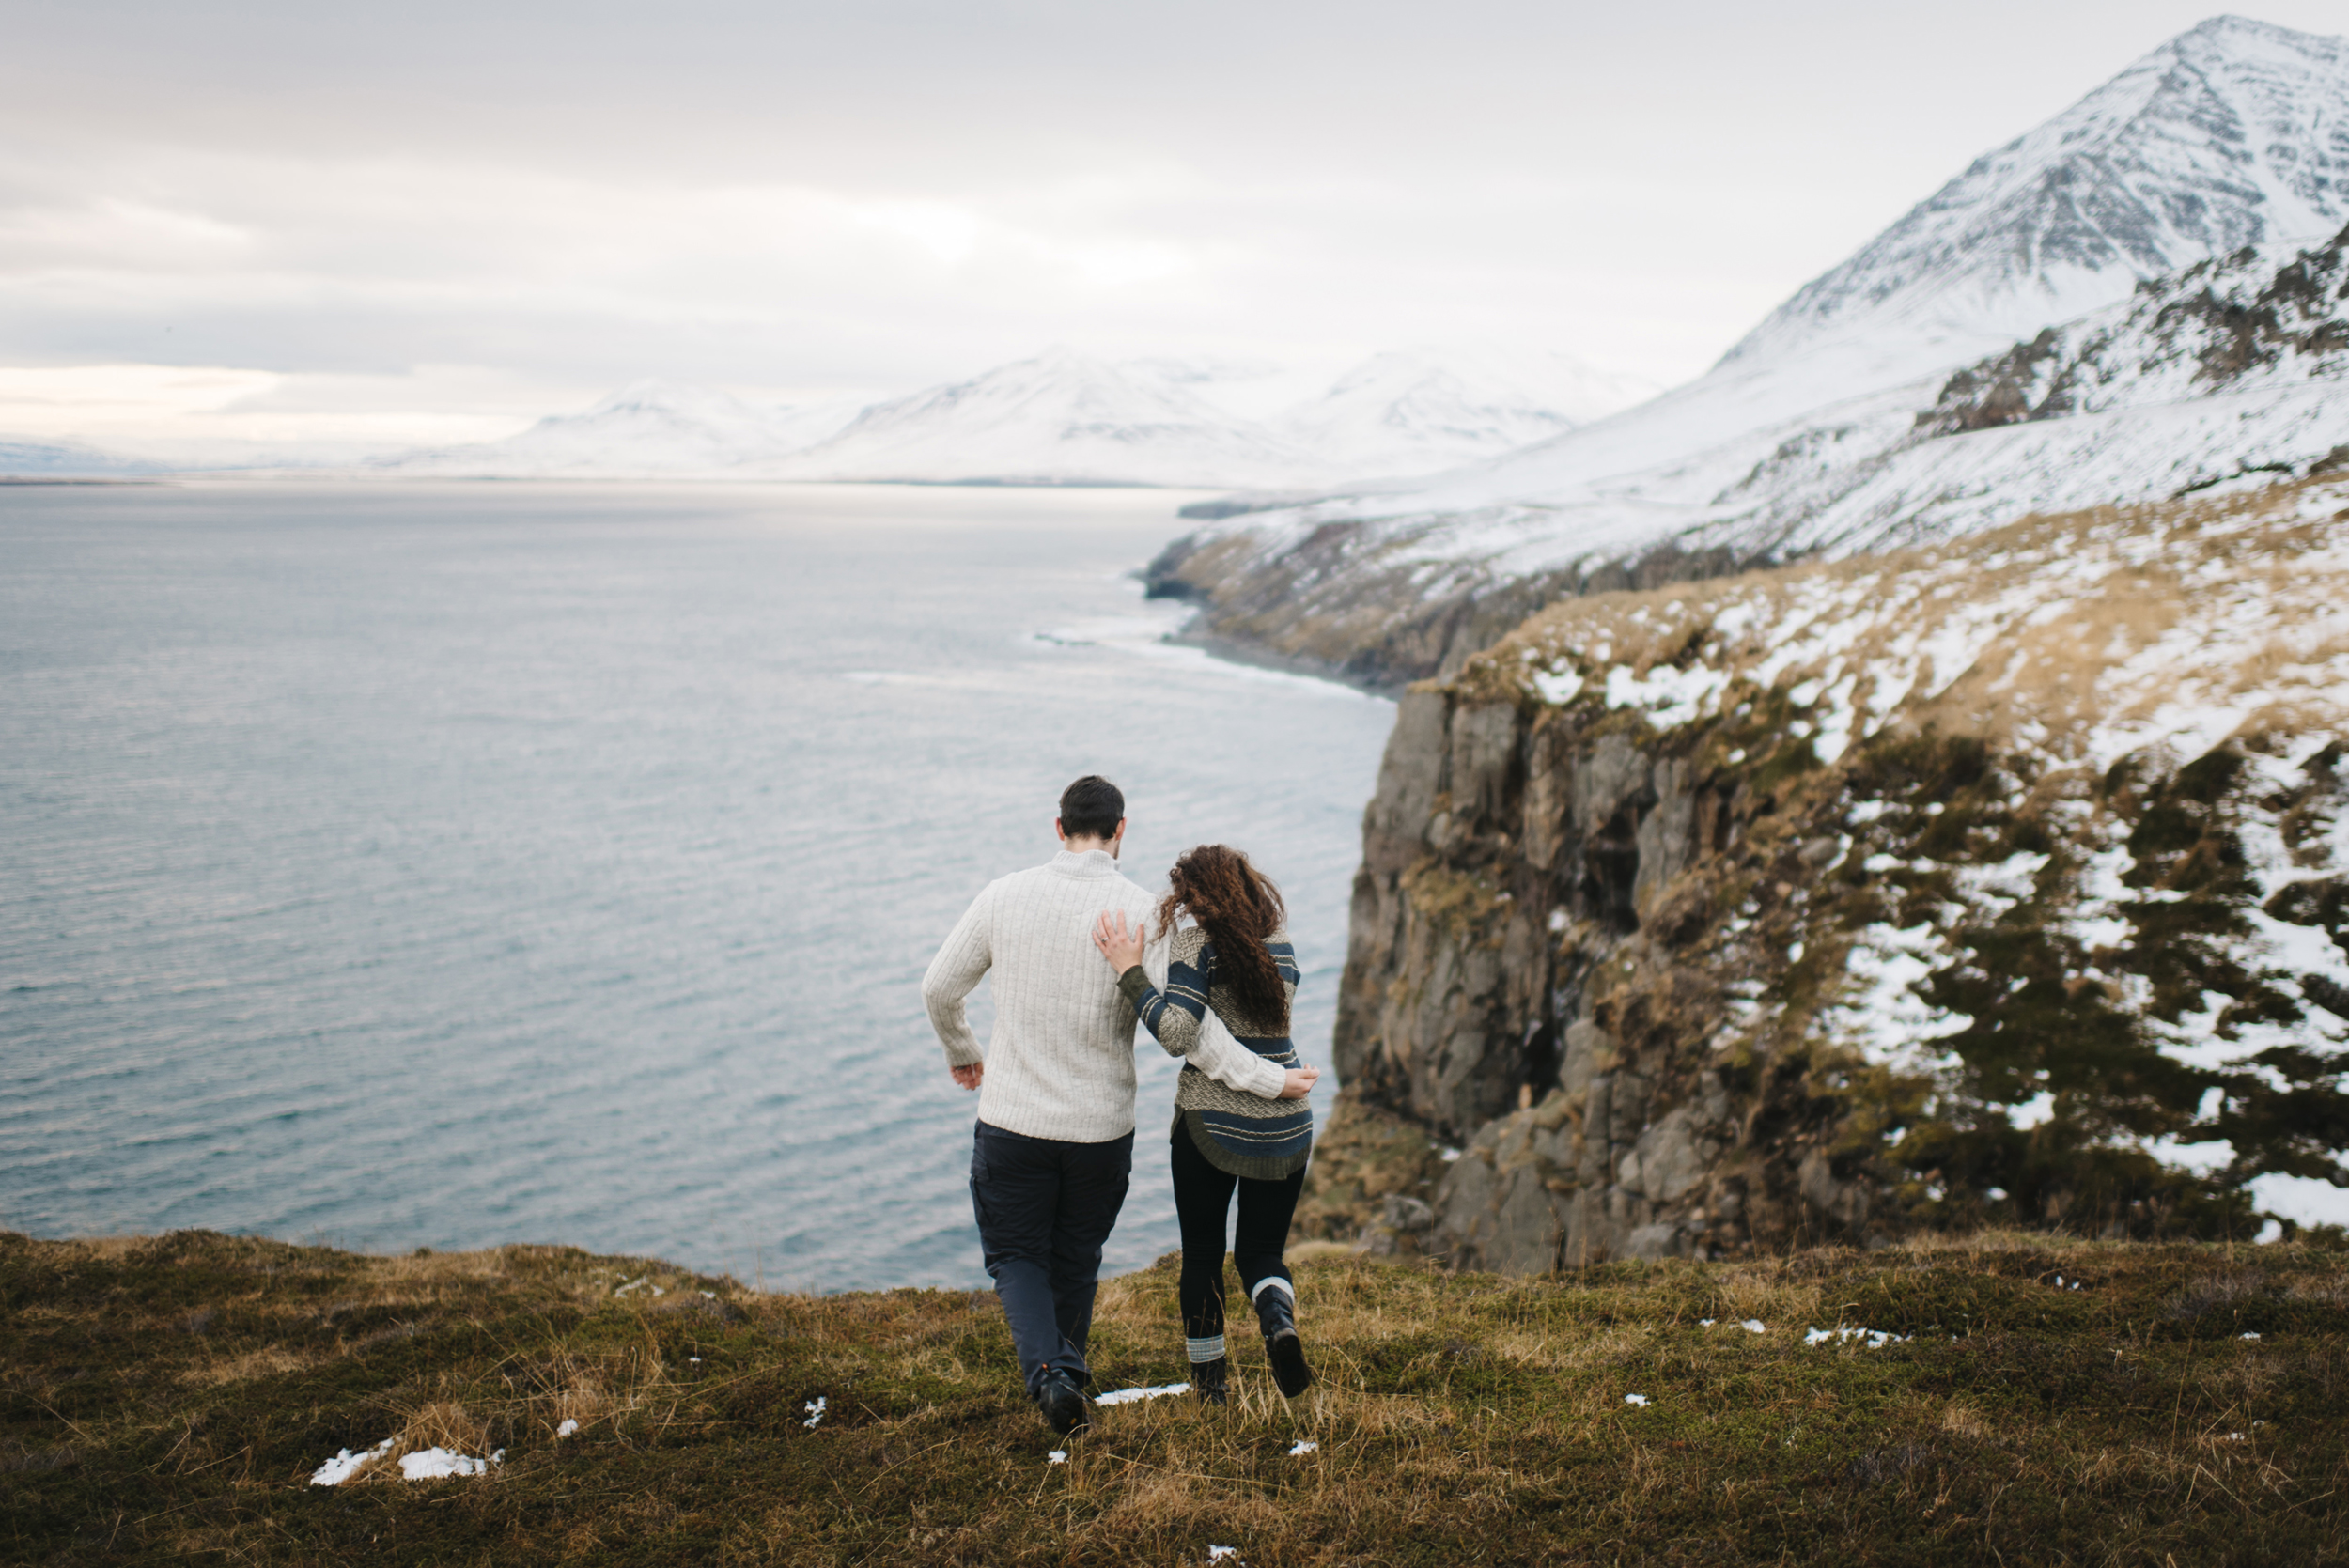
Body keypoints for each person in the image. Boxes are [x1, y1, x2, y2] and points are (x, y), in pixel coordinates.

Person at [920, 776, 1277, 1437]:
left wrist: (961, 1048)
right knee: (1077, 1254)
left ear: (1058, 828)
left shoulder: (1004, 895)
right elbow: (1189, 1029)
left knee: (1017, 1256)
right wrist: (1269, 1079)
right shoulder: (1145, 914)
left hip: (1013, 1122)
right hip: (1100, 1130)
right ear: (1120, 830)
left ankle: (1051, 1377)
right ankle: (1068, 1382)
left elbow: (939, 986)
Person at [1092, 844, 1320, 1405]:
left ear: (1196, 897)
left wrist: (1129, 972)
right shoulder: (1281, 948)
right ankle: (1277, 1323)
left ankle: (1211, 1388)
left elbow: (1177, 1034)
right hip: (1288, 1122)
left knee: (1202, 1254)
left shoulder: (1197, 944)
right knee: (1263, 1254)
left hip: (1210, 1124)